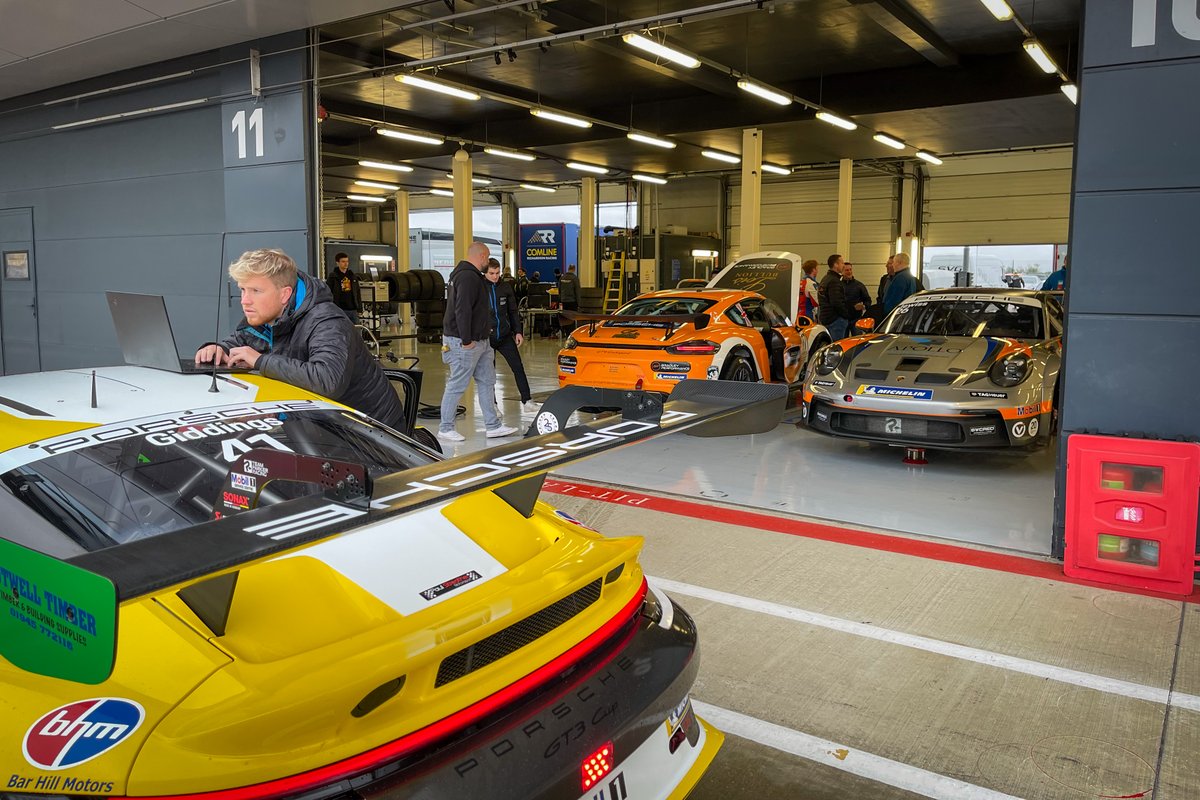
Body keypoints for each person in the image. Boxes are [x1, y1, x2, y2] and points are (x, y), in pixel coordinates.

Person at [194, 248, 404, 428]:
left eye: (256, 291)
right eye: (242, 290)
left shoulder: (327, 321)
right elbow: (240, 342)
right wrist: (218, 348)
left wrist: (260, 361)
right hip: (316, 423)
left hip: (370, 432)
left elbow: (327, 380)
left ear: (285, 294)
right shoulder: (263, 316)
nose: (245, 301)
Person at [438, 241, 518, 442]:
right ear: (481, 256)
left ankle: (493, 426)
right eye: (487, 257)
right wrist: (466, 340)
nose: (488, 262)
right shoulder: (467, 277)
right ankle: (445, 428)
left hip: (481, 341)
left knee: (487, 382)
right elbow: (462, 309)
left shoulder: (472, 276)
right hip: (464, 342)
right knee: (457, 384)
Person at [485, 258, 536, 412]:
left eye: (497, 273)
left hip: (505, 337)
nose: (495, 276)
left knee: (518, 367)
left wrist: (518, 331)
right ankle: (492, 405)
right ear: (485, 273)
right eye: (491, 273)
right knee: (489, 374)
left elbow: (513, 312)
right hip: (487, 339)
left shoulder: (506, 287)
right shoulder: (478, 288)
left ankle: (527, 401)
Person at [817, 254, 851, 340]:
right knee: (836, 349)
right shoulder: (834, 281)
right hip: (835, 320)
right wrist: (846, 315)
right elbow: (836, 302)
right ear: (836, 264)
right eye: (842, 263)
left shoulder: (825, 279)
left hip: (826, 318)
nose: (843, 265)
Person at [325, 251, 361, 324]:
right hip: (340, 309)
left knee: (356, 330)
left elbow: (357, 293)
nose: (346, 263)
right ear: (337, 263)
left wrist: (359, 309)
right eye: (343, 261)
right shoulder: (333, 277)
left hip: (353, 309)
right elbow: (328, 293)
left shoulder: (352, 276)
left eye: (347, 261)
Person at [841, 262, 871, 328]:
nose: (849, 272)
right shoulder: (838, 285)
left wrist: (863, 306)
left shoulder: (859, 285)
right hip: (843, 319)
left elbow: (868, 300)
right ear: (842, 272)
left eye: (850, 269)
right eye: (846, 270)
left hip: (856, 319)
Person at [558, 263, 581, 337]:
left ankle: (565, 333)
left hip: (564, 301)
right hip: (572, 301)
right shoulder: (574, 278)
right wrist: (579, 304)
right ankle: (571, 334)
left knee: (564, 318)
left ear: (568, 269)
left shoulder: (562, 278)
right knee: (572, 319)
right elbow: (577, 291)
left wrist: (560, 300)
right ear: (574, 269)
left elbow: (559, 290)